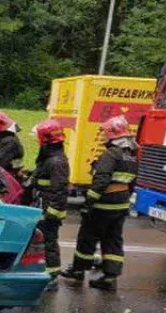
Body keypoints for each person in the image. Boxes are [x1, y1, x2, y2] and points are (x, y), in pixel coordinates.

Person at [60, 115, 138, 291]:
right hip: (121, 204)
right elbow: (132, 183)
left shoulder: (110, 155)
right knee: (113, 239)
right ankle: (110, 277)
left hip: (103, 204)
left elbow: (101, 181)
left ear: (112, 134)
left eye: (104, 132)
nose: (103, 135)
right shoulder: (131, 156)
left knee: (87, 236)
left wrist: (88, 202)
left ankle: (78, 270)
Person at [30, 119, 70, 282]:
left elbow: (59, 189)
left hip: (49, 208)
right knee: (44, 239)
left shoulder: (56, 161)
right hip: (44, 204)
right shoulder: (50, 157)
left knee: (49, 241)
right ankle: (44, 271)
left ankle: (51, 275)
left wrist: (51, 212)